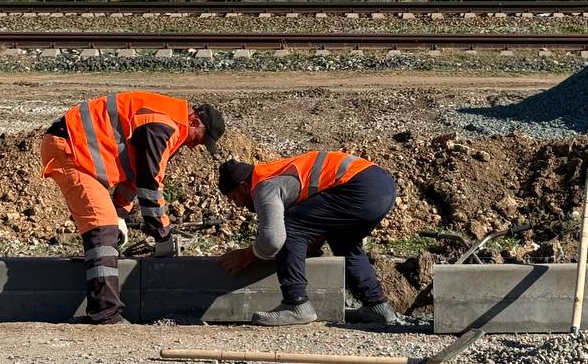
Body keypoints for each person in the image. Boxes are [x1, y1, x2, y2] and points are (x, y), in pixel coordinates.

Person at [42, 91, 226, 325]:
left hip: (78, 150)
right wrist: (163, 236)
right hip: (71, 150)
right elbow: (150, 186)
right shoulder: (163, 126)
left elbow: (135, 177)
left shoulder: (165, 121)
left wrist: (120, 211)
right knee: (102, 226)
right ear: (194, 121)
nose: (193, 146)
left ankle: (104, 307)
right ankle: (105, 315)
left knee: (108, 222)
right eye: (199, 139)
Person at [216, 150, 400, 326]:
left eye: (234, 198)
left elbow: (272, 240)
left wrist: (246, 255)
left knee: (291, 226)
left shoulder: (264, 186)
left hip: (359, 187)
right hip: (381, 184)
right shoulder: (277, 172)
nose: (237, 205)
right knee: (343, 240)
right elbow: (316, 215)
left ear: (243, 186)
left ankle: (296, 303)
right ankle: (377, 306)